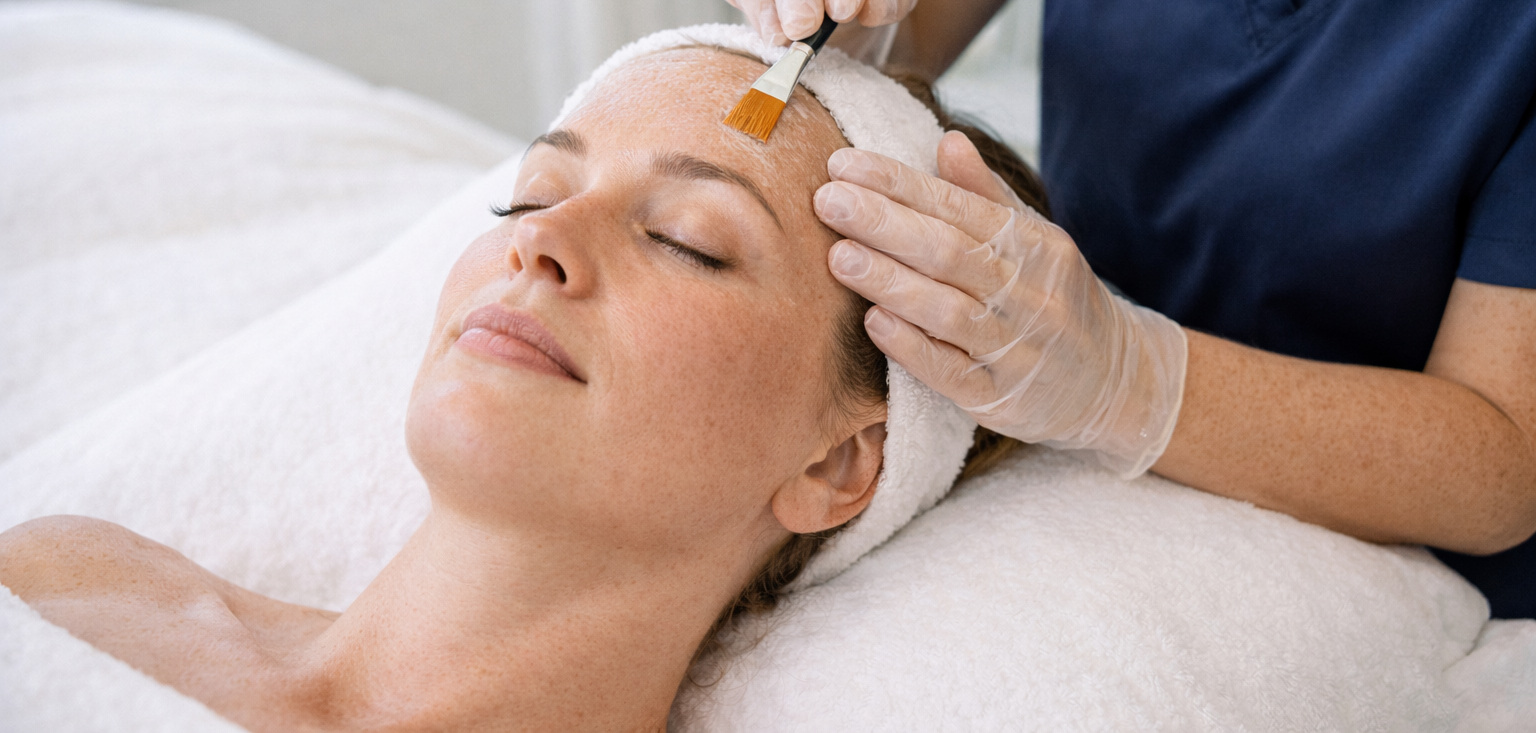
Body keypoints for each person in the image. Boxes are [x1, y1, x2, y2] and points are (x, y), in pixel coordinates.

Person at [685, 0, 1536, 617]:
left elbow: (1504, 456)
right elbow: (904, 18)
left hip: (1396, 584)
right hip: (1062, 492)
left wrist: (1132, 380)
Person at [0, 41, 1042, 732]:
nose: (538, 239)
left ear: (837, 459)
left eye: (686, 241)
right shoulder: (64, 582)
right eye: (532, 194)